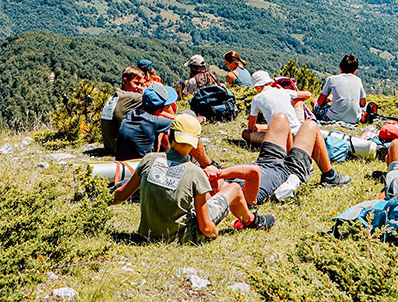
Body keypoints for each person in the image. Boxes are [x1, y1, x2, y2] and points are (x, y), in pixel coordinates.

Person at [111, 114, 273, 242]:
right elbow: (205, 227)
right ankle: (251, 221)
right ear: (195, 144)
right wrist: (215, 232)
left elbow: (121, 195)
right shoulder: (195, 173)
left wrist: (99, 204)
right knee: (235, 189)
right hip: (183, 238)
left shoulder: (149, 160)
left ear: (169, 135)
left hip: (146, 234)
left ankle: (249, 219)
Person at [218, 111, 350, 202]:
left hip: (266, 161)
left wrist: (218, 173)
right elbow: (253, 173)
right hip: (288, 172)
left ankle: (291, 156)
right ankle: (330, 176)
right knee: (311, 126)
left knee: (280, 118)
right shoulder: (243, 195)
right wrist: (221, 173)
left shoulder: (221, 184)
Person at [115, 83, 213, 167]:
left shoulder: (131, 114)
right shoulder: (157, 122)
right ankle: (208, 165)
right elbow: (185, 124)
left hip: (122, 166)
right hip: (142, 169)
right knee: (189, 134)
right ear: (161, 108)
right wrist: (198, 119)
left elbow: (159, 115)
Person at [100, 67, 148, 153]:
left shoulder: (116, 95)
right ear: (125, 81)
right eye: (136, 83)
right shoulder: (133, 97)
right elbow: (157, 100)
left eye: (142, 85)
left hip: (110, 146)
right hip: (122, 149)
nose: (140, 88)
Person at [315, 54, 367, 124]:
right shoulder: (358, 80)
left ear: (340, 67)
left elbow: (320, 102)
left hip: (333, 118)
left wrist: (328, 100)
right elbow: (363, 104)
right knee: (367, 106)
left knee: (314, 102)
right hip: (354, 119)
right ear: (355, 70)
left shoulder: (331, 79)